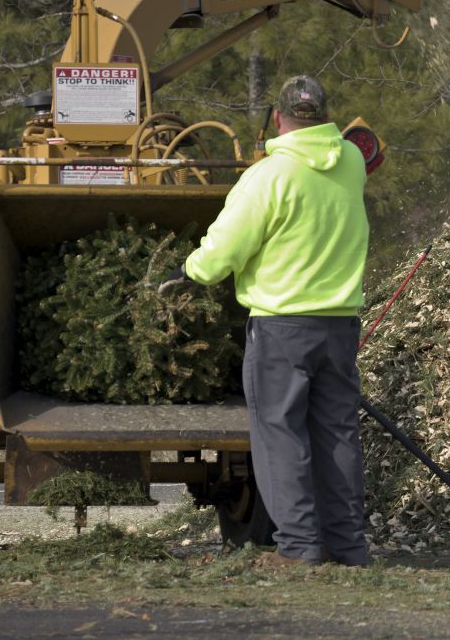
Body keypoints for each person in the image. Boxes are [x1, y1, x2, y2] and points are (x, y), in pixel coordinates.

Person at [159, 75, 369, 567]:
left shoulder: (268, 176)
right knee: (337, 434)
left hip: (282, 328)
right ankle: (349, 548)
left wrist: (187, 272)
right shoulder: (353, 164)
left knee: (281, 436)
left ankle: (299, 550)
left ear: (278, 118)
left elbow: (225, 249)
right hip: (340, 325)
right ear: (323, 115)